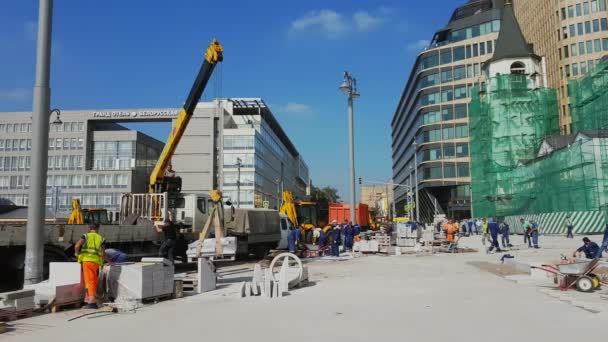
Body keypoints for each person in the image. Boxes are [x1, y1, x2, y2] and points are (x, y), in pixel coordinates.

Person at [75, 223, 107, 309]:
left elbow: (77, 245)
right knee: (93, 280)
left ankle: (92, 303)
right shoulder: (101, 238)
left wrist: (77, 254)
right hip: (96, 263)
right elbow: (103, 253)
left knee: (89, 281)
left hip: (86, 261)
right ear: (98, 228)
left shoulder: (86, 236)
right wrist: (109, 261)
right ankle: (88, 299)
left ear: (89, 228)